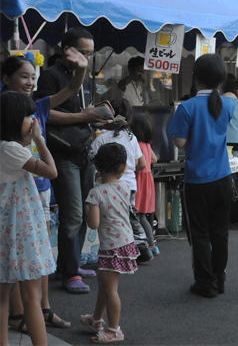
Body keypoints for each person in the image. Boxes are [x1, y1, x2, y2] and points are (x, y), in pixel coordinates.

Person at [2, 52, 88, 332]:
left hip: (37, 189)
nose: (29, 82)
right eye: (23, 76)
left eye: (32, 76)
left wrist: (82, 68)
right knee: (19, 258)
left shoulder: (38, 106)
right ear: (6, 79)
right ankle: (21, 314)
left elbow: (73, 88)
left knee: (37, 254)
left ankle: (42, 309)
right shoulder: (6, 121)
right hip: (17, 195)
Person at [35, 27, 110, 294]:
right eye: (83, 52)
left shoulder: (84, 77)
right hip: (62, 153)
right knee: (73, 213)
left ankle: (72, 264)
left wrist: (97, 116)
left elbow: (83, 111)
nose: (87, 58)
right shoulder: (50, 76)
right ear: (68, 49)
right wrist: (82, 117)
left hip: (84, 150)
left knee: (85, 210)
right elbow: (47, 114)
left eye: (90, 53)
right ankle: (68, 273)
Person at [169, 54, 235, 298]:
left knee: (199, 234)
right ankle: (219, 278)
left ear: (195, 78)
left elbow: (180, 141)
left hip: (197, 180)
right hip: (223, 178)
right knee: (220, 233)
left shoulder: (186, 107)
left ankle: (205, 282)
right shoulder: (229, 105)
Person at [0, 92, 58, 346]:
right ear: (14, 119)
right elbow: (51, 171)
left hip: (8, 232)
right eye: (28, 115)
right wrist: (39, 138)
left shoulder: (7, 148)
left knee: (3, 297)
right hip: (21, 232)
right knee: (31, 297)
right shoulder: (10, 149)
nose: (33, 120)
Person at [81, 143, 140, 343]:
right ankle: (96, 320)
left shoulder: (95, 193)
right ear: (123, 168)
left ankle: (114, 330)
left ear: (97, 167)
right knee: (105, 284)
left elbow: (93, 223)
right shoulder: (125, 187)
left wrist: (89, 208)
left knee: (110, 290)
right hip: (125, 243)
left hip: (111, 248)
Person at [91, 99, 153, 264]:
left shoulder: (101, 138)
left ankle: (117, 250)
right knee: (131, 217)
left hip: (107, 187)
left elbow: (92, 161)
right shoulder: (131, 137)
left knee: (111, 220)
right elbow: (142, 163)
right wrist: (129, 171)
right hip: (128, 186)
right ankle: (141, 245)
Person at [131, 113, 159, 255]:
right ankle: (153, 245)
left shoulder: (136, 144)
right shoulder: (147, 144)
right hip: (148, 180)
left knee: (136, 216)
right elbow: (154, 159)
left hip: (139, 180)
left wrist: (133, 168)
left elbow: (139, 165)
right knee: (142, 216)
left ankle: (147, 246)